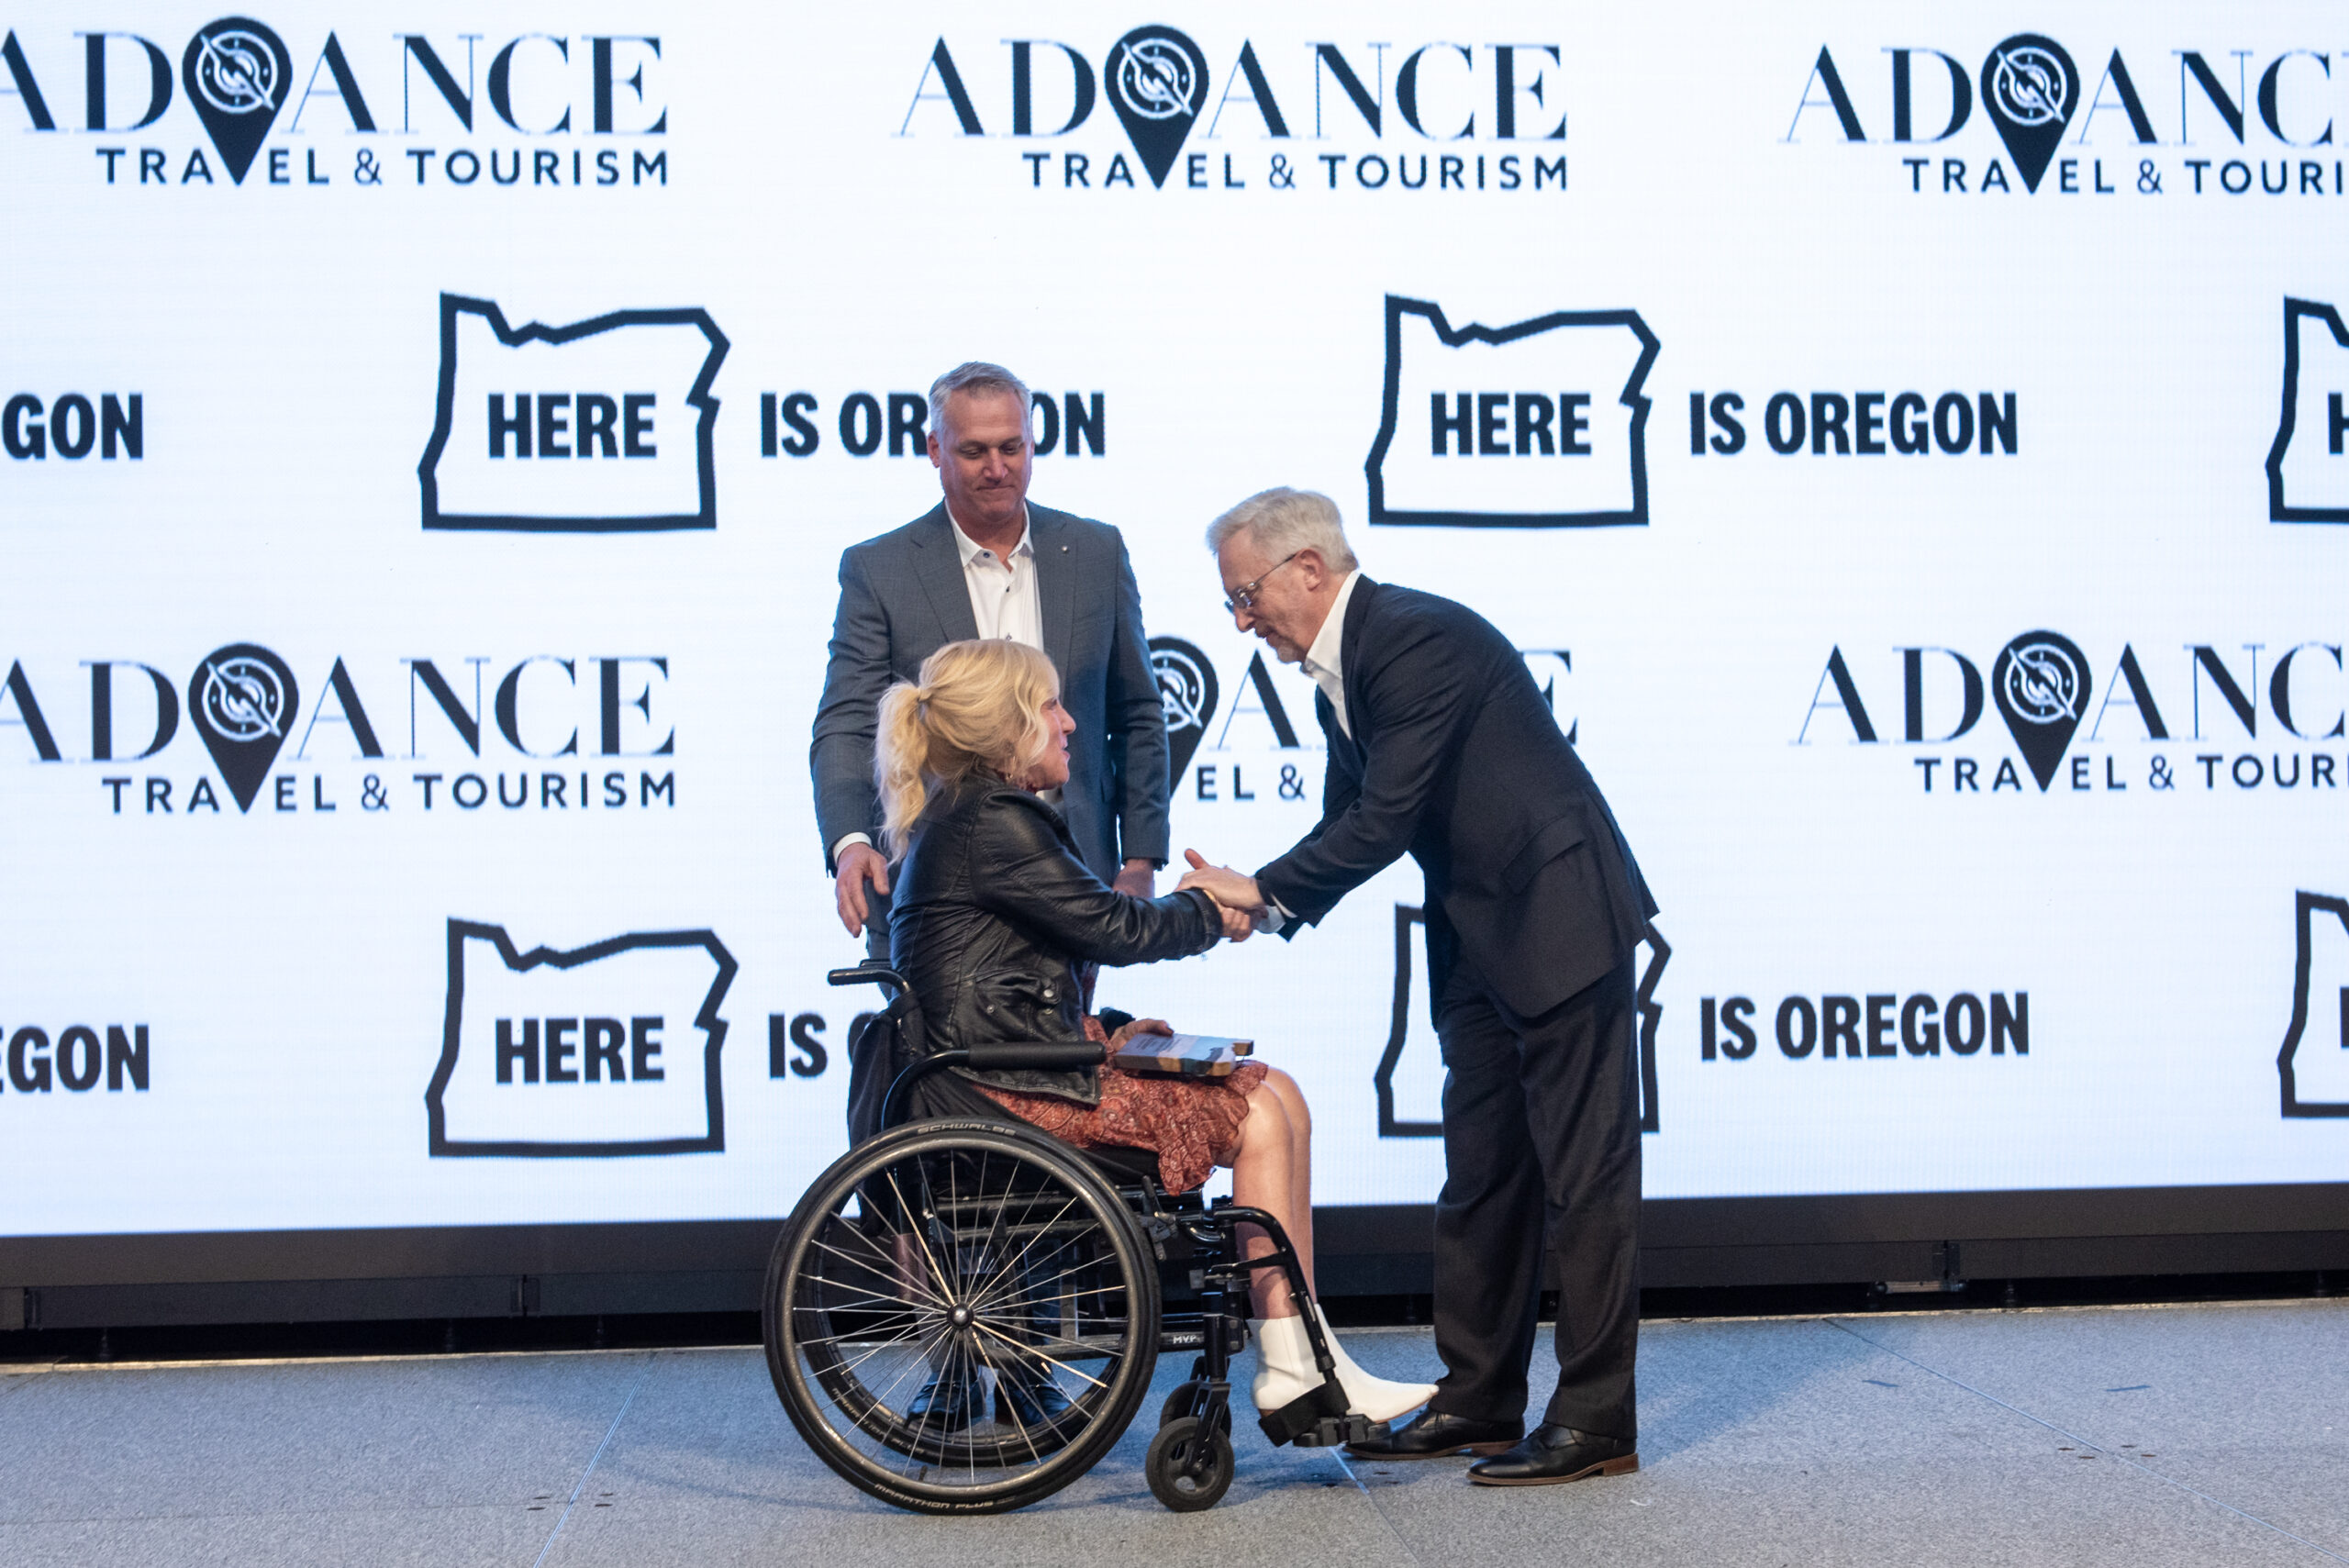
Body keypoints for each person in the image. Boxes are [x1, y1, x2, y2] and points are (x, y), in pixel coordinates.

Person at [1176, 488, 1657, 1486]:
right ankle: (1478, 1395)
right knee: (1482, 1173)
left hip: (1558, 917)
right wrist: (1251, 900)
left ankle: (1597, 1417)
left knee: (1584, 1181)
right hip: (1479, 934)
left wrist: (1258, 888)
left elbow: (1381, 821)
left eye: (1245, 594)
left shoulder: (1411, 638)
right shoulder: (1336, 679)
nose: (1240, 621)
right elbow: (1344, 824)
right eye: (1231, 603)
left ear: (1308, 566)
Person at [876, 636, 1434, 1430]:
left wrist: (1205, 906)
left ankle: (1307, 1352)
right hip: (1008, 1087)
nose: (1070, 723)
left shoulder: (972, 818)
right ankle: (1293, 1363)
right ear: (1009, 729)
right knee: (1261, 1115)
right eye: (1049, 707)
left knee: (1277, 1090)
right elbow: (1120, 927)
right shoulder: (993, 822)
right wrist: (1212, 905)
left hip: (1012, 1062)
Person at [812, 361, 1168, 958]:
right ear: (934, 448)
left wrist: (1140, 857)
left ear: (1032, 442)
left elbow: (1136, 714)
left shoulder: (1096, 551)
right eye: (975, 451)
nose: (998, 468)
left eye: (1012, 447)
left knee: (1076, 1047)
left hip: (1077, 880)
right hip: (931, 886)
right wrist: (850, 840)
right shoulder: (880, 569)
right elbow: (849, 721)